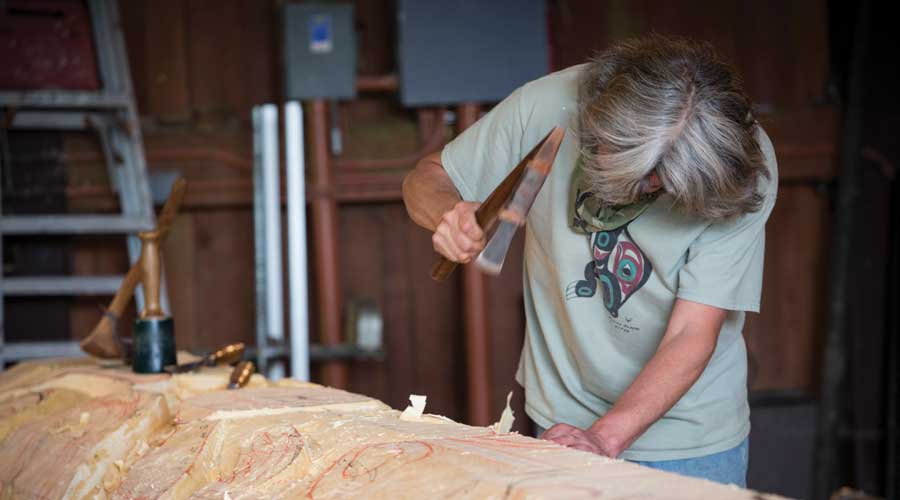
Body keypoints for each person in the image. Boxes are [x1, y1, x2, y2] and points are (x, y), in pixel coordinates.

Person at [401, 34, 777, 487]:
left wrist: (603, 438)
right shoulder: (548, 106)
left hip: (691, 437)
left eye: (665, 184)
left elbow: (692, 331)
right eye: (644, 177)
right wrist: (448, 213)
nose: (653, 190)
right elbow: (426, 178)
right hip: (563, 419)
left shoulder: (738, 164)